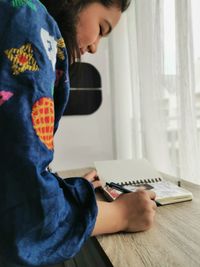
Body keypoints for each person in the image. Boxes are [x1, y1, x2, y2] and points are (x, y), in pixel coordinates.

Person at [0, 0, 156, 266]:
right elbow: (29, 218)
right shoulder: (25, 19)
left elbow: (12, 169)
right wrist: (120, 215)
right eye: (101, 27)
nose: (94, 47)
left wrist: (72, 193)